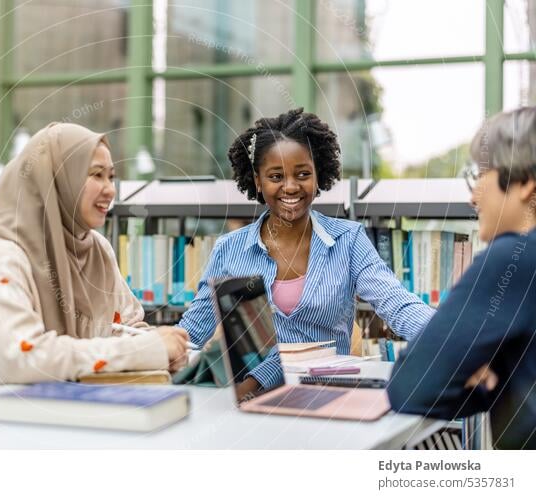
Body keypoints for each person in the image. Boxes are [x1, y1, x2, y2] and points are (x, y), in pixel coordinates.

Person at [178, 108, 434, 398]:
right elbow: (192, 333)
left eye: (302, 174)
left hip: (329, 399)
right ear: (258, 181)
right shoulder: (229, 249)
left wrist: (454, 338)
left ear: (318, 175)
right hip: (255, 402)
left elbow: (397, 304)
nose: (290, 186)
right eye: (276, 176)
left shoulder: (348, 240)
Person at [0, 123, 188, 395]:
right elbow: (19, 361)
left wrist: (164, 347)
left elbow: (128, 328)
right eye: (96, 175)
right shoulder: (4, 257)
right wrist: (144, 351)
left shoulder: (98, 251)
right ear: (57, 181)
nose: (110, 190)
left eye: (111, 177)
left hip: (55, 416)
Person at [387, 107, 536, 449]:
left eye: (479, 175)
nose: (472, 197)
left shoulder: (513, 258)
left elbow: (411, 387)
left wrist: (478, 378)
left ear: (525, 181)